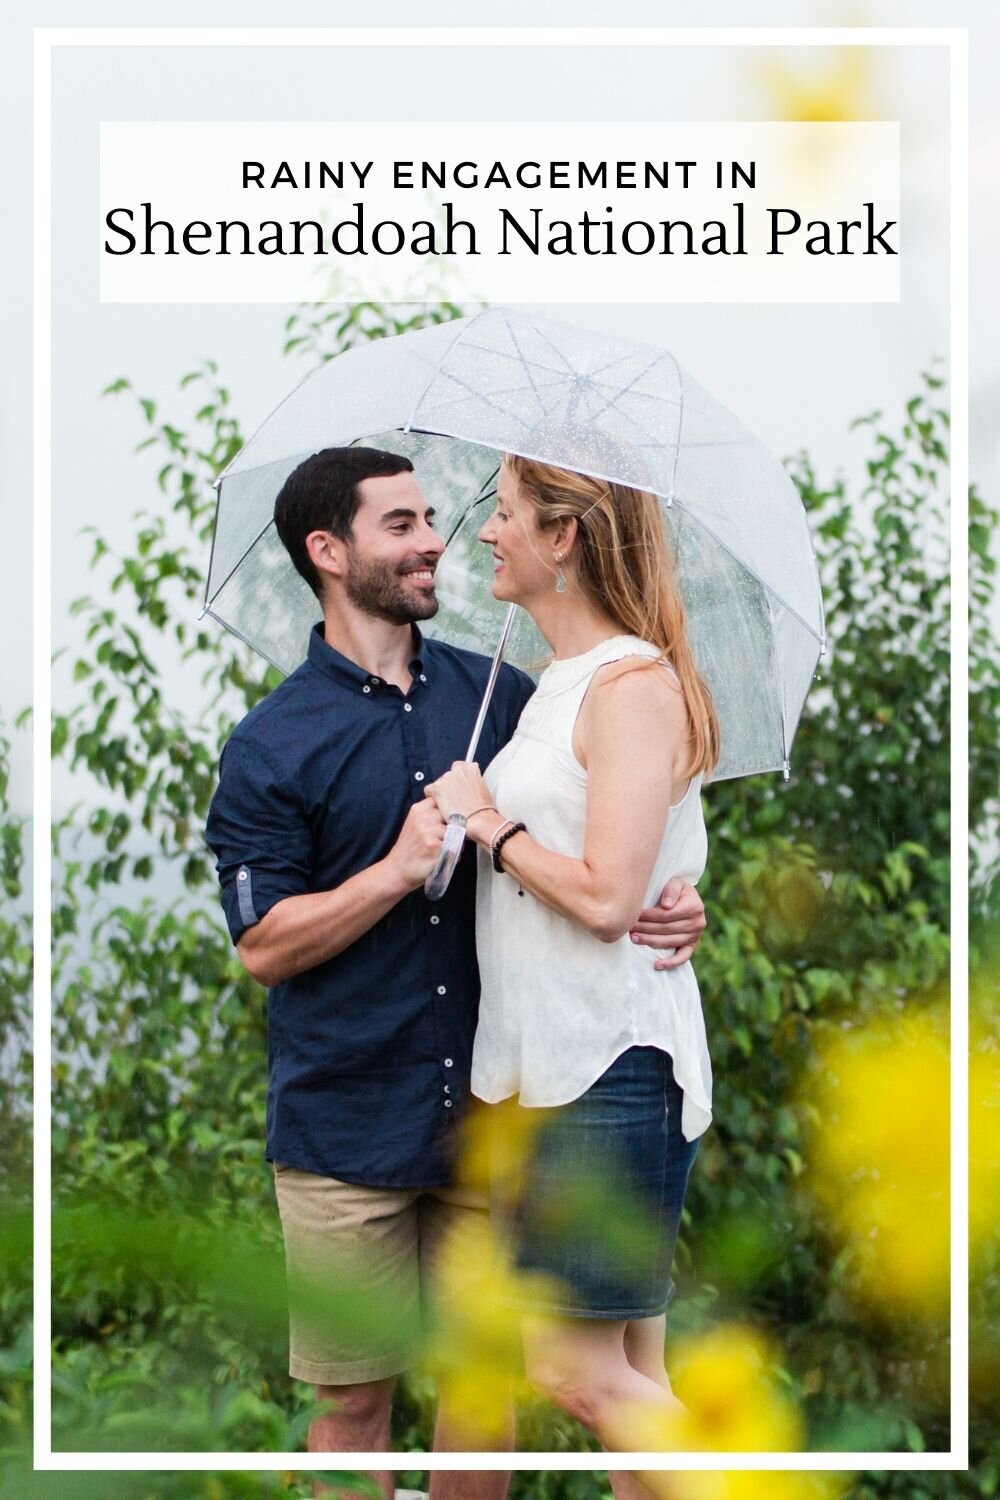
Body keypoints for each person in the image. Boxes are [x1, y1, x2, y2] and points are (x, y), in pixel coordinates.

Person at [204, 446, 707, 1499]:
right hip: (349, 1117)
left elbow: (590, 836)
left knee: (491, 1385)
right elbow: (262, 948)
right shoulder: (270, 743)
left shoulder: (505, 695)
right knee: (353, 1401)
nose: (436, 538)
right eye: (401, 524)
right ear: (328, 551)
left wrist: (676, 896)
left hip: (503, 1106)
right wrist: (393, 872)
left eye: (436, 517)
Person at [426, 454, 719, 1500]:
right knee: (635, 1373)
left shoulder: (631, 685)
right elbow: (649, 870)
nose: (486, 532)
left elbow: (605, 897)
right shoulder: (557, 685)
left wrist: (489, 823)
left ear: (567, 537)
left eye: (503, 513)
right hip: (546, 1070)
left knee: (571, 1367)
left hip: (605, 1067)